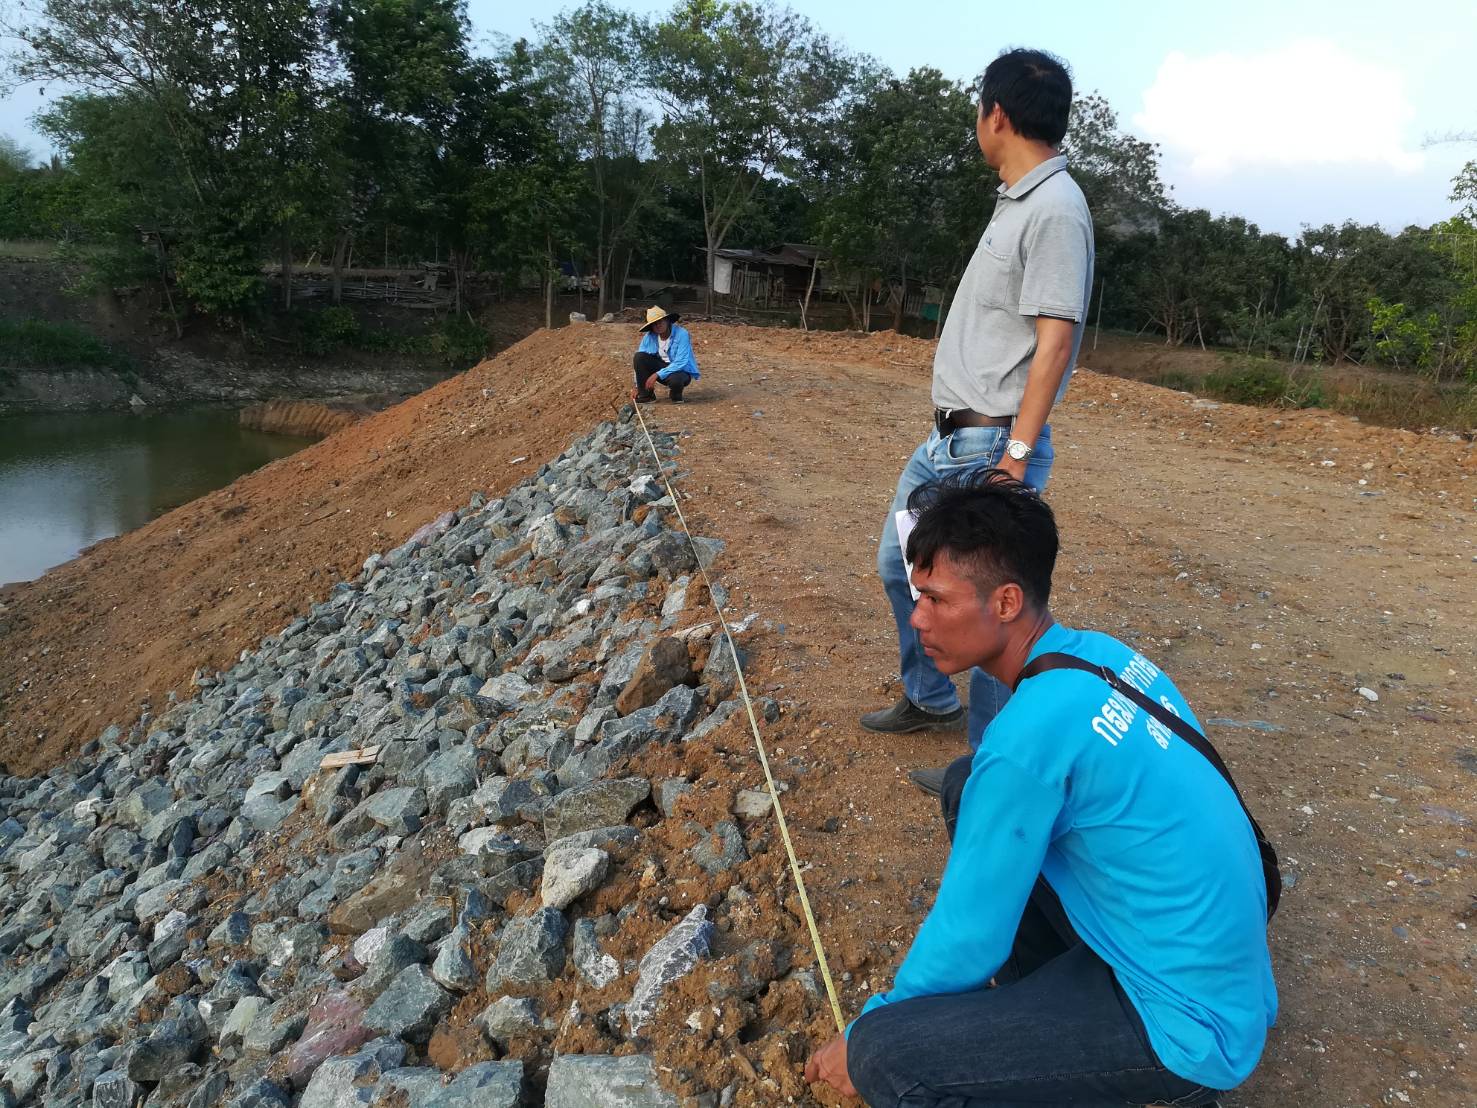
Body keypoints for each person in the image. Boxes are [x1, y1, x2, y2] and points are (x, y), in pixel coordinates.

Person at [807, 471, 1277, 1107]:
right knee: (965, 782)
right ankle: (1041, 1012)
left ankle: (1149, 1087)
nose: (917, 618)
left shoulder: (1026, 742)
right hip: (1202, 962)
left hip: (1186, 1027)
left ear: (1005, 602)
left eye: (936, 599)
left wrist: (868, 1027)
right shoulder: (1102, 655)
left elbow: (969, 938)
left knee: (884, 1056)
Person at [861, 48, 1095, 793]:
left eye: (977, 110)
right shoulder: (1018, 202)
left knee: (991, 611)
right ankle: (929, 696)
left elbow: (1055, 342)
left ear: (995, 114)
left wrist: (1015, 456)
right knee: (900, 566)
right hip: (949, 439)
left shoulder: (1056, 210)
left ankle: (988, 771)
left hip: (991, 442)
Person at [633, 305, 700, 402]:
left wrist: (656, 374)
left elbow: (681, 362)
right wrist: (637, 386)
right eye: (654, 324)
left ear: (667, 320)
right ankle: (646, 395)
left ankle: (676, 394)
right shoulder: (649, 337)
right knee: (639, 357)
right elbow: (639, 362)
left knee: (676, 380)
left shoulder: (682, 334)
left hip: (680, 371)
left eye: (660, 321)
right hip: (661, 367)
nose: (658, 325)